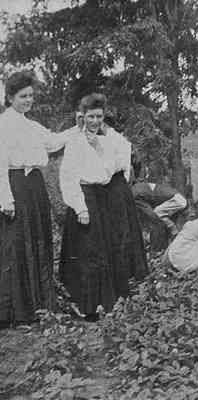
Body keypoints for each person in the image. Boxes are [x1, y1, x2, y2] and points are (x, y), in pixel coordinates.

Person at [59, 93, 148, 320]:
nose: (95, 121)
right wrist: (80, 208)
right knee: (88, 253)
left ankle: (106, 303)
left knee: (105, 250)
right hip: (85, 198)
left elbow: (110, 170)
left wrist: (100, 145)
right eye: (91, 116)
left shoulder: (107, 139)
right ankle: (87, 307)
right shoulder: (75, 142)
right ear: (82, 116)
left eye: (99, 116)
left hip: (102, 199)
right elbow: (68, 177)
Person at [0, 70, 73, 327]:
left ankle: (39, 305)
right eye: (23, 96)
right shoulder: (4, 125)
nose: (28, 100)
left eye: (30, 95)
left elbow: (52, 142)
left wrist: (78, 127)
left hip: (35, 186)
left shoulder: (31, 125)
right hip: (16, 185)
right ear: (10, 97)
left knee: (39, 240)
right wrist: (5, 199)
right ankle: (16, 311)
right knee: (18, 245)